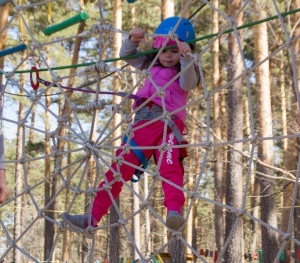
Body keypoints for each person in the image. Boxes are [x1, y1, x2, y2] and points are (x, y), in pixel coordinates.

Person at [60, 16, 200, 239]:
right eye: (164, 50)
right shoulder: (149, 64)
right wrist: (133, 40)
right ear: (156, 48)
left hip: (168, 127)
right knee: (118, 169)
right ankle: (92, 218)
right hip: (143, 125)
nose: (169, 56)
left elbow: (188, 83)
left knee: (170, 167)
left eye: (175, 51)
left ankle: (174, 210)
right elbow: (125, 56)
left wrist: (187, 58)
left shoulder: (185, 69)